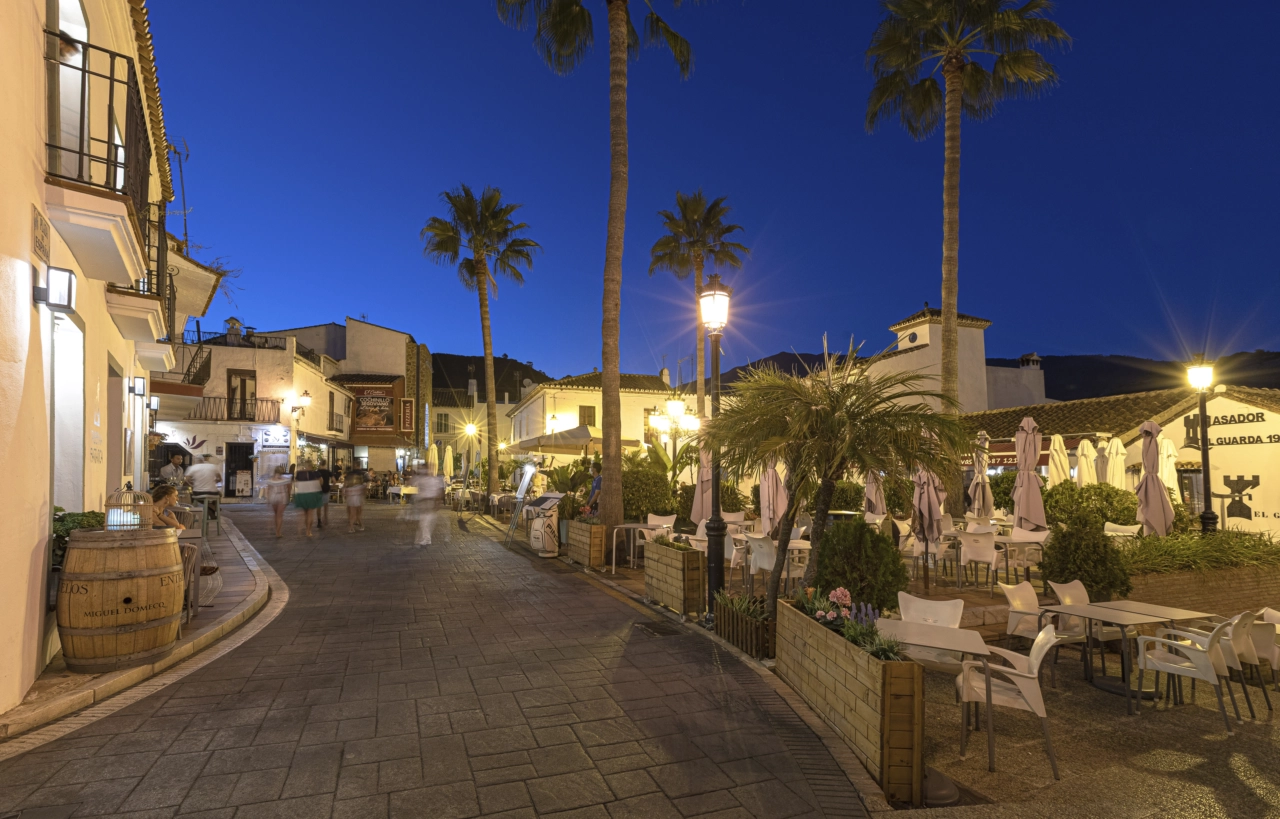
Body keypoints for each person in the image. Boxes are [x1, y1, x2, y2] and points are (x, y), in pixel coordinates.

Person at [414, 463, 446, 546]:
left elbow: (440, 491)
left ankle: (426, 539)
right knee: (424, 521)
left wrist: (438, 502)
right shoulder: (423, 479)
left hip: (429, 501)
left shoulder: (434, 479)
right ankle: (423, 538)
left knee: (425, 521)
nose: (423, 471)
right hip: (424, 502)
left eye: (424, 469)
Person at [292, 460, 324, 537]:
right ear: (311, 466)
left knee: (305, 513)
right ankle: (308, 531)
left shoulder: (299, 473)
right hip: (312, 494)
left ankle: (306, 528)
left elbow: (296, 485)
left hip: (302, 494)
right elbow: (321, 482)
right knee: (310, 513)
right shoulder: (316, 473)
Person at [265, 465, 292, 537]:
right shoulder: (286, 480)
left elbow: (268, 490)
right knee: (280, 515)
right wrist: (288, 496)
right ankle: (278, 532)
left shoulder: (271, 480)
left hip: (273, 497)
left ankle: (277, 530)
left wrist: (268, 500)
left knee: (276, 514)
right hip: (282, 497)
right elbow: (289, 488)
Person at [316, 463, 333, 528]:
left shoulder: (317, 472)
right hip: (326, 489)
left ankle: (319, 521)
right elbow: (334, 480)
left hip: (318, 490)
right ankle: (325, 518)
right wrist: (331, 486)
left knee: (318, 506)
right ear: (325, 465)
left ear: (320, 465)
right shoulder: (328, 472)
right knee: (326, 505)